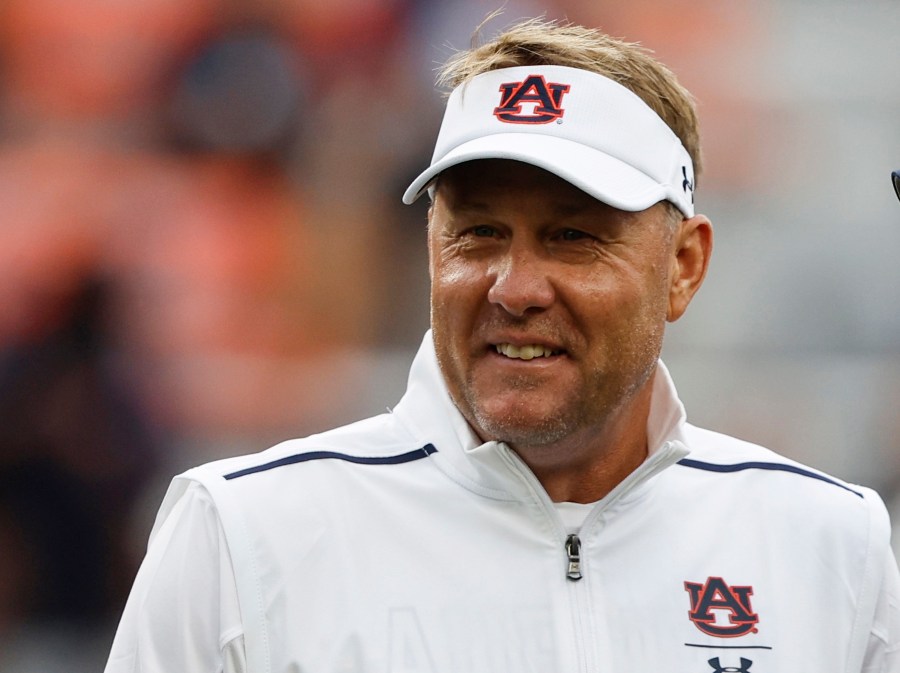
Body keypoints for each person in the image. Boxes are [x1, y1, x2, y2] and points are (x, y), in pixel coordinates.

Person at [105, 18, 900, 673]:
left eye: (572, 236)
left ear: (683, 267)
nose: (513, 287)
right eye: (479, 232)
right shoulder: (241, 535)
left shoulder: (830, 543)